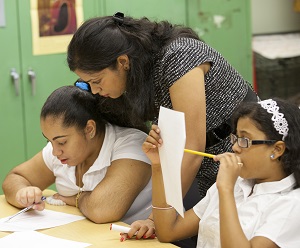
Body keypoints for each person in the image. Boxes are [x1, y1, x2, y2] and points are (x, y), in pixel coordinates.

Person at [66, 12, 259, 241]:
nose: (95, 90)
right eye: (87, 84)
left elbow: (191, 146)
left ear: (123, 62)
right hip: (208, 169)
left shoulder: (179, 56)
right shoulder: (140, 74)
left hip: (245, 162)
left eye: (97, 81)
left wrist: (154, 218)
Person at [121, 98, 300, 247]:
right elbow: (168, 231)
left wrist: (226, 190)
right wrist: (159, 166)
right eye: (235, 138)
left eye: (245, 140)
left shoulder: (292, 203)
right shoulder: (238, 183)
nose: (235, 147)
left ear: (277, 149)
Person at [2, 84, 152, 225]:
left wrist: (76, 199)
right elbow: (15, 178)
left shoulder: (132, 144)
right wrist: (22, 193)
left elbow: (102, 210)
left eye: (61, 142)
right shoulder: (58, 151)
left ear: (89, 129)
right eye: (49, 141)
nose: (55, 152)